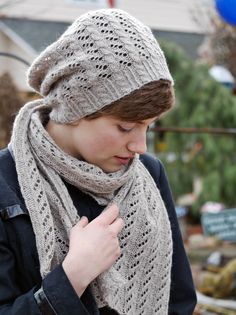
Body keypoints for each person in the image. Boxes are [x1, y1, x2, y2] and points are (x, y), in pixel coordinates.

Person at [0, 8, 196, 315]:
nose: (140, 146)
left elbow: (179, 302)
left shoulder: (149, 174)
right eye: (126, 127)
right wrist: (72, 278)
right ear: (76, 108)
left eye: (149, 126)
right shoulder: (5, 185)